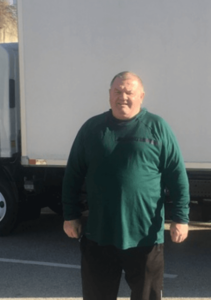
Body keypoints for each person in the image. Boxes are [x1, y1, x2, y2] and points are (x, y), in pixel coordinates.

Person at [62, 71, 190, 300]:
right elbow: (72, 175)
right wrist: (70, 215)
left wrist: (181, 218)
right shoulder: (92, 129)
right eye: (117, 91)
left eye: (129, 92)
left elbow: (177, 176)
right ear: (109, 95)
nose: (123, 97)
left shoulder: (157, 127)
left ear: (141, 95)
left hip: (145, 236)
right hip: (99, 234)